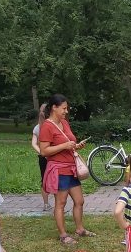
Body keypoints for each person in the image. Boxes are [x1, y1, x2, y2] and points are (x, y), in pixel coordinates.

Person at [39, 94, 94, 244]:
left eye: (66, 108)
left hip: (71, 168)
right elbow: (44, 151)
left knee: (79, 201)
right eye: (63, 108)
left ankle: (80, 229)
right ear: (54, 108)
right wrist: (64, 145)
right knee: (61, 203)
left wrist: (76, 146)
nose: (66, 111)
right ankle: (63, 235)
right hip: (59, 170)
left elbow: (69, 142)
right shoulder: (47, 126)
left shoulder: (64, 123)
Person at [31, 104, 50, 211]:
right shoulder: (52, 125)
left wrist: (42, 152)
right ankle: (58, 204)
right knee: (55, 179)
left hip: (43, 157)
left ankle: (46, 204)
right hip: (53, 156)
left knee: (44, 180)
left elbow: (33, 143)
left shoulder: (37, 128)